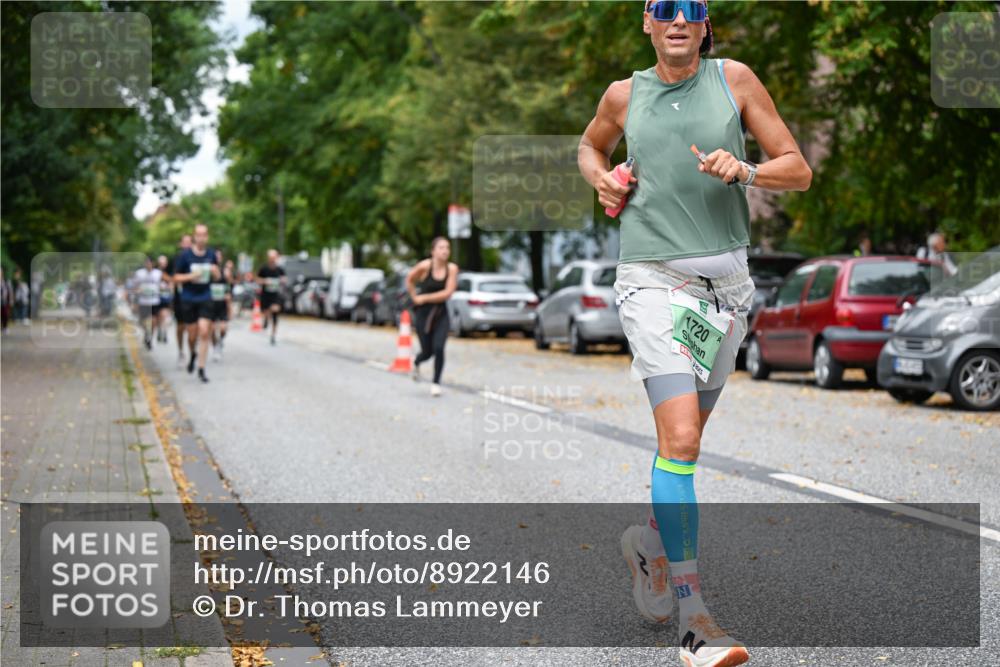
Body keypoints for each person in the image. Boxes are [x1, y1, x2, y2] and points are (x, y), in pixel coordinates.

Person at [578, 2, 812, 665]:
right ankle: (695, 618)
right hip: (653, 281)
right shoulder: (624, 95)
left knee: (685, 443)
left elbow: (798, 166)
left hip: (728, 292)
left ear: (706, 25)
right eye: (663, 7)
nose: (678, 17)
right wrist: (605, 179)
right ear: (647, 23)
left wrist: (748, 171)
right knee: (678, 437)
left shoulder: (735, 80)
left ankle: (648, 549)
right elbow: (590, 145)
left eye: (693, 7)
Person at [406, 237, 458, 397]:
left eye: (447, 248)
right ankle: (417, 361)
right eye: (441, 248)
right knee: (427, 352)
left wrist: (425, 297)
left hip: (441, 313)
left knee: (439, 348)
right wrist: (415, 297)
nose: (445, 251)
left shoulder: (452, 269)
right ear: (433, 251)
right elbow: (409, 279)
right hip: (423, 313)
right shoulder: (425, 266)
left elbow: (447, 293)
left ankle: (436, 383)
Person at [172, 224, 220, 383]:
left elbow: (217, 278)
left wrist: (215, 272)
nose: (201, 238)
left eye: (204, 235)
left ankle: (201, 368)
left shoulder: (211, 255)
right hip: (188, 298)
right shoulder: (185, 256)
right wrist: (192, 276)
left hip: (205, 297)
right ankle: (192, 353)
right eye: (198, 235)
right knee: (192, 336)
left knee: (205, 331)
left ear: (207, 237)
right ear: (194, 236)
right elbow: (176, 278)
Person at [169, 235, 193, 365]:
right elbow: (172, 277)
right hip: (180, 297)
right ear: (181, 244)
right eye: (185, 243)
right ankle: (180, 351)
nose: (187, 245)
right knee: (181, 326)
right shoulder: (176, 258)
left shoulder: (196, 257)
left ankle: (193, 352)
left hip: (195, 297)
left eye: (189, 243)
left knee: (193, 326)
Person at [256, 250, 286, 346]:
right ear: (268, 258)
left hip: (275, 294)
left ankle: (273, 335)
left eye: (274, 257)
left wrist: (282, 280)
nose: (273, 260)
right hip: (265, 295)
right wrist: (265, 281)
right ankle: (266, 319)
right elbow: (257, 279)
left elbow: (284, 279)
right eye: (271, 258)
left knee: (275, 311)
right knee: (266, 311)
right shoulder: (264, 269)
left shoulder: (279, 269)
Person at [132, 257, 162, 349]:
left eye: (150, 263)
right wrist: (137, 293)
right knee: (143, 322)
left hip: (154, 301)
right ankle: (146, 333)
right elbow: (134, 287)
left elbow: (165, 283)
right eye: (147, 263)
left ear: (153, 263)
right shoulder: (139, 273)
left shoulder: (158, 273)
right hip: (143, 301)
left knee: (153, 322)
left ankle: (149, 338)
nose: (148, 264)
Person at [210, 249, 232, 361]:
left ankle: (220, 341)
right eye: (216, 256)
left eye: (219, 256)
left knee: (223, 329)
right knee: (212, 330)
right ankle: (215, 348)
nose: (217, 258)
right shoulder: (208, 272)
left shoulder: (225, 272)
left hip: (222, 305)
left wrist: (229, 305)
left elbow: (228, 287)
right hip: (211, 305)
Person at [156, 255, 172, 343]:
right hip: (157, 298)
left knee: (165, 315)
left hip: (166, 298)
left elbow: (172, 282)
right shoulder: (155, 272)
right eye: (161, 262)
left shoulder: (170, 272)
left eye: (164, 262)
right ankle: (159, 330)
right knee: (159, 316)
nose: (163, 264)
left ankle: (164, 333)